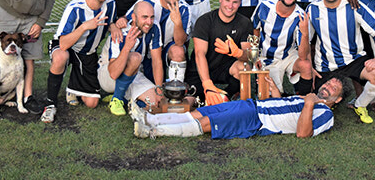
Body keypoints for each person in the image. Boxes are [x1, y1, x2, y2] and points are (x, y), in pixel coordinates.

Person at [130, 75, 346, 139]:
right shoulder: (307, 98)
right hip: (254, 105)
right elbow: (284, 105)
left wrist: (309, 103)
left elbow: (303, 133)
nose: (328, 86)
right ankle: (150, 119)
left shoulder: (325, 113)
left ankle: (154, 131)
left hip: (258, 119)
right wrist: (274, 90)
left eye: (334, 88)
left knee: (207, 123)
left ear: (337, 100)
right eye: (328, 83)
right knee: (201, 112)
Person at [302, 0, 375, 124]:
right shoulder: (312, 9)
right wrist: (310, 64)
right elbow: (306, 39)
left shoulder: (353, 5)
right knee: (318, 103)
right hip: (325, 64)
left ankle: (360, 105)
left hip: (353, 59)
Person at [40, 0, 121, 123]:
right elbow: (63, 43)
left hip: (87, 52)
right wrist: (84, 27)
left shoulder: (111, 4)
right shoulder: (75, 7)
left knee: (92, 103)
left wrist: (114, 26)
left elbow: (109, 22)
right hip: (67, 45)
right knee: (60, 57)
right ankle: (50, 105)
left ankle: (72, 88)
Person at [185, 0, 254, 105]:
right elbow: (199, 54)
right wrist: (207, 83)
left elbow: (249, 56)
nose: (230, 6)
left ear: (240, 3)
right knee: (190, 103)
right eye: (227, 0)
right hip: (201, 69)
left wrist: (236, 52)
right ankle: (205, 97)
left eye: (235, 2)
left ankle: (229, 96)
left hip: (225, 68)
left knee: (244, 67)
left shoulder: (245, 22)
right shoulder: (204, 21)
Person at [121, 0, 192, 82]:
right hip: (145, 50)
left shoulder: (184, 9)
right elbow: (125, 20)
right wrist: (115, 25)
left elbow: (180, 42)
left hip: (166, 50)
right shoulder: (147, 2)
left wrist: (178, 23)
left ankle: (176, 89)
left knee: (178, 51)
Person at [98, 1, 164, 116]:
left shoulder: (153, 27)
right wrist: (127, 47)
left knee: (155, 102)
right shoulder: (121, 32)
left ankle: (125, 99)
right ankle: (117, 99)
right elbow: (113, 73)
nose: (149, 22)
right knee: (135, 57)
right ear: (133, 17)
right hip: (107, 74)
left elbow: (157, 61)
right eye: (145, 17)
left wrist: (158, 89)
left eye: (152, 17)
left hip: (133, 73)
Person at [251, 0, 313, 95]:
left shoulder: (301, 16)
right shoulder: (264, 6)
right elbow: (255, 30)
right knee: (269, 99)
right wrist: (254, 57)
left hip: (287, 56)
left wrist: (305, 33)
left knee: (305, 65)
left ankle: (302, 99)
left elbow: (303, 56)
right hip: (265, 58)